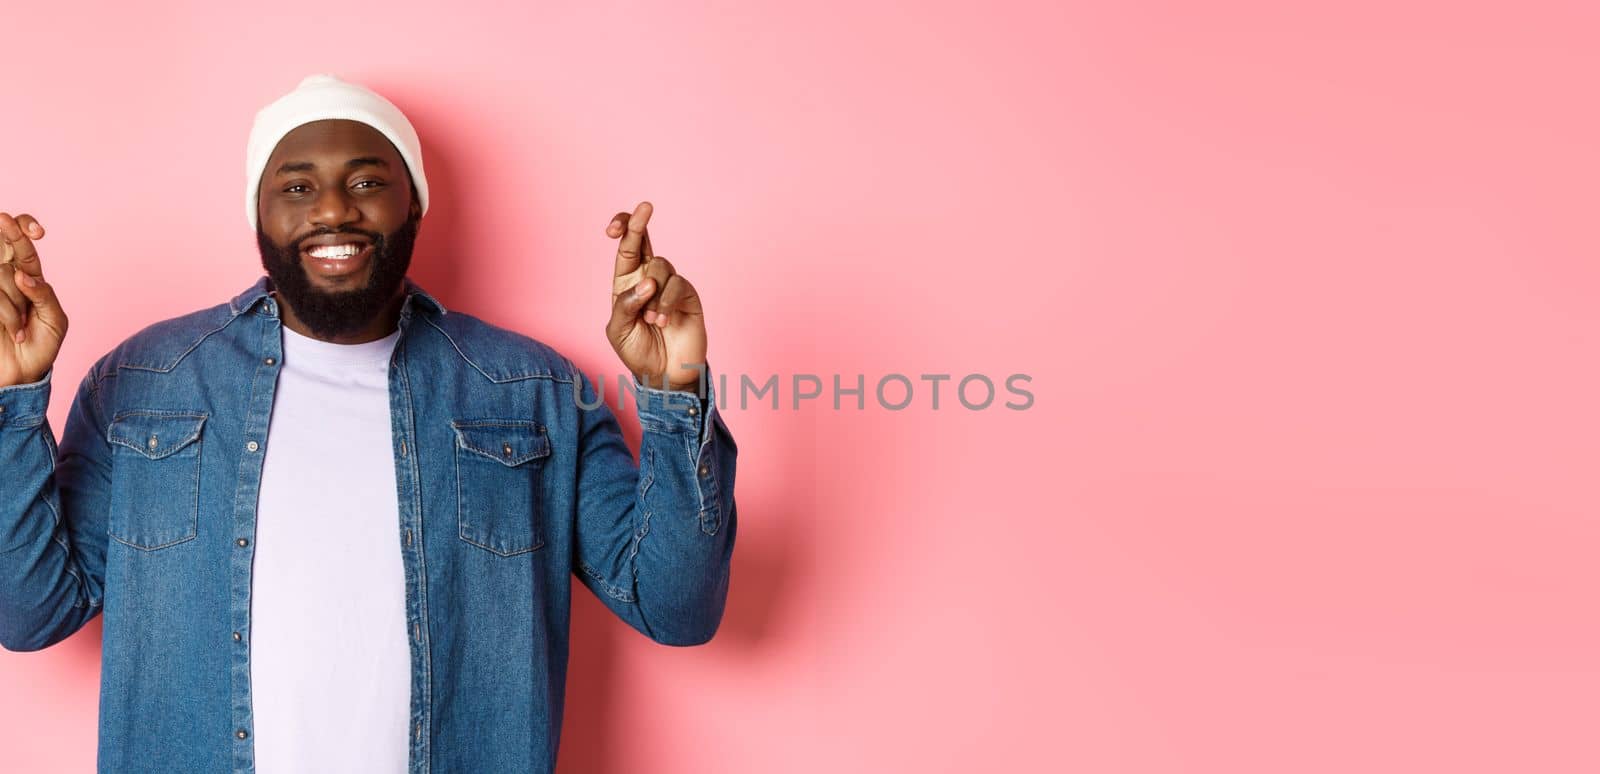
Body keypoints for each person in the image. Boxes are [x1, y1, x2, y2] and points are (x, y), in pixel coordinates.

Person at [0, 73, 737, 773]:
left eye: (367, 181)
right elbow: (30, 614)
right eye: (295, 186)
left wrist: (672, 393)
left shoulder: (533, 390)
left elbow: (675, 608)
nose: (332, 209)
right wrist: (13, 394)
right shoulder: (141, 383)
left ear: (413, 203)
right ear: (256, 213)